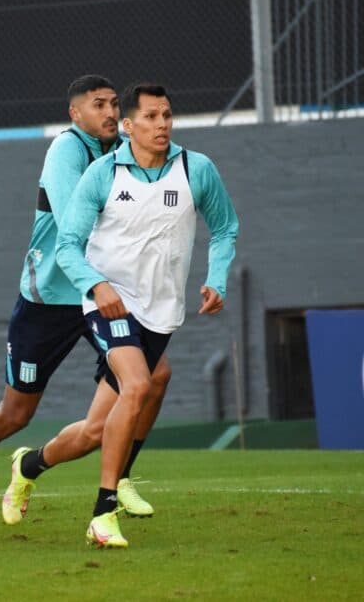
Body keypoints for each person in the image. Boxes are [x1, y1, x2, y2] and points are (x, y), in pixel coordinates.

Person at [0, 75, 173, 536]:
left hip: (101, 294)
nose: (108, 112)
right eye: (97, 104)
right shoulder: (66, 151)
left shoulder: (124, 148)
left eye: (113, 103)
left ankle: (117, 482)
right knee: (14, 416)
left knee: (155, 376)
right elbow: (73, 223)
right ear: (75, 114)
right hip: (50, 299)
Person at [41, 82, 238, 548]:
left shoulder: (197, 169)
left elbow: (226, 228)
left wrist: (218, 278)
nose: (161, 125)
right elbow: (68, 245)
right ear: (128, 126)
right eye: (150, 117)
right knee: (138, 385)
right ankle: (103, 511)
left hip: (160, 311)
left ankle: (29, 466)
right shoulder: (102, 175)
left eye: (167, 115)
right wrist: (96, 284)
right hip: (107, 302)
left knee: (94, 429)